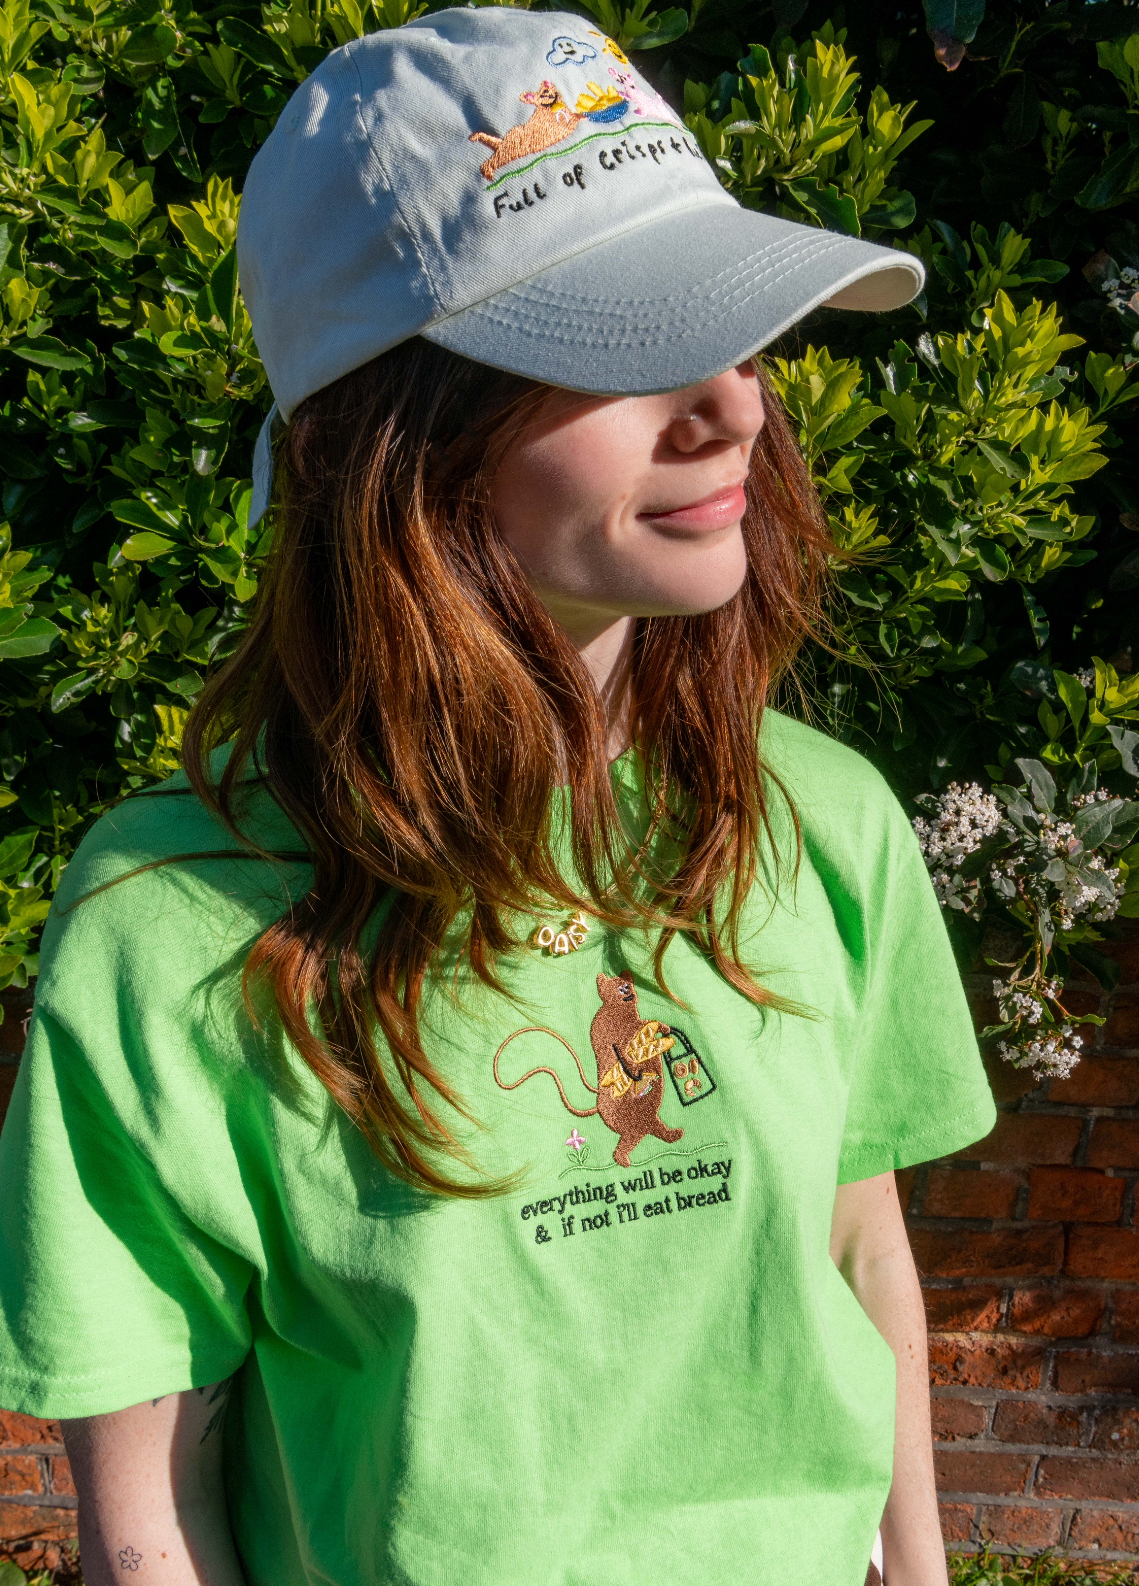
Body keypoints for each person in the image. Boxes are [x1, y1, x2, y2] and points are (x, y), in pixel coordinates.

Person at [0, 10, 995, 1585]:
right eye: (629, 350)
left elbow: (861, 1241)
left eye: (739, 337)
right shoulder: (177, 916)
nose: (735, 407)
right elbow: (151, 1509)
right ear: (404, 435)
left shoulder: (821, 820)